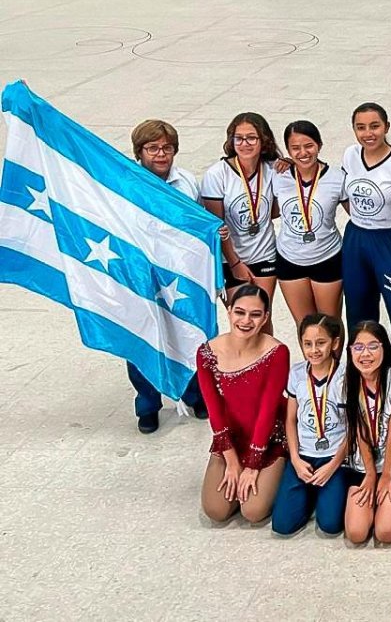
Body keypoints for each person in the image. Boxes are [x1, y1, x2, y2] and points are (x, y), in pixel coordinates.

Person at [127, 119, 208, 433]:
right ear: (139, 152)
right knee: (142, 336)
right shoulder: (125, 182)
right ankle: (148, 404)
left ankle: (195, 393)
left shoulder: (186, 182)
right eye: (152, 148)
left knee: (188, 331)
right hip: (140, 274)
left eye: (167, 148)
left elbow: (199, 224)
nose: (161, 154)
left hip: (180, 274)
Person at [195, 284, 289, 524]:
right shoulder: (207, 353)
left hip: (269, 437)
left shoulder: (277, 352)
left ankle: (284, 467)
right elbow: (214, 411)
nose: (246, 321)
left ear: (265, 317)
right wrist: (232, 461)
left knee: (253, 511)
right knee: (216, 510)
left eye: (255, 314)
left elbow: (268, 410)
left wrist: (253, 464)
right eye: (240, 312)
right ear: (229, 312)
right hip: (231, 438)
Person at [341, 103, 391, 371]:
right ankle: (362, 372)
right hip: (356, 240)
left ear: (386, 127)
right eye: (361, 127)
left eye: (374, 126)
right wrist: (363, 218)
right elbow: (346, 197)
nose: (368, 133)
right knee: (358, 313)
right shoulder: (350, 155)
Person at [272, 314, 349, 536]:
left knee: (330, 525)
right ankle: (310, 493)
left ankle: (327, 492)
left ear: (335, 343)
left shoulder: (346, 376)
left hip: (335, 458)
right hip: (304, 456)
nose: (314, 350)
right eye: (308, 344)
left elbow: (353, 427)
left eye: (321, 343)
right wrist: (295, 459)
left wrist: (333, 465)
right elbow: (290, 419)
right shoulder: (297, 373)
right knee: (282, 526)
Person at [200, 113, 281, 317]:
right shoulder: (217, 174)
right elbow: (217, 225)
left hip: (264, 255)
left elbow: (275, 211)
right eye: (239, 138)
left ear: (264, 140)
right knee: (241, 318)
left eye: (251, 138)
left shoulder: (272, 169)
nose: (245, 143)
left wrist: (289, 167)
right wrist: (235, 262)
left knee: (262, 316)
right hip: (230, 259)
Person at [342, 321, 391, 544]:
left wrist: (386, 474)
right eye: (358, 347)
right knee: (356, 534)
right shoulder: (346, 382)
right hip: (363, 466)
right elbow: (358, 431)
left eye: (373, 346)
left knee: (385, 532)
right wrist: (371, 473)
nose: (365, 354)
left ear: (384, 348)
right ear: (350, 351)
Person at [273, 121, 347, 326]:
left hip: (327, 257)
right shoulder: (278, 175)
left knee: (329, 325)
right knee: (304, 326)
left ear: (319, 145)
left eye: (309, 146)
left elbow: (357, 214)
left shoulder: (337, 178)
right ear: (288, 151)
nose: (303, 153)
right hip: (289, 258)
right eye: (295, 148)